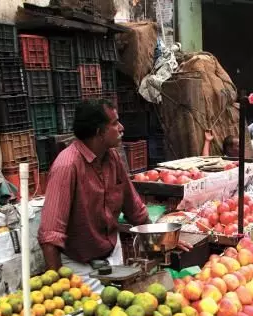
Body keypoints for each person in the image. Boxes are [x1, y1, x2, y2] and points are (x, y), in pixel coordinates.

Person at [38, 100, 189, 292]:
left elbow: (135, 209)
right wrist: (57, 288)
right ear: (99, 132)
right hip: (80, 269)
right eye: (115, 123)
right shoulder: (67, 166)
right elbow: (50, 236)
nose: (121, 128)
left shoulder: (113, 158)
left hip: (112, 257)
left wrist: (163, 240)